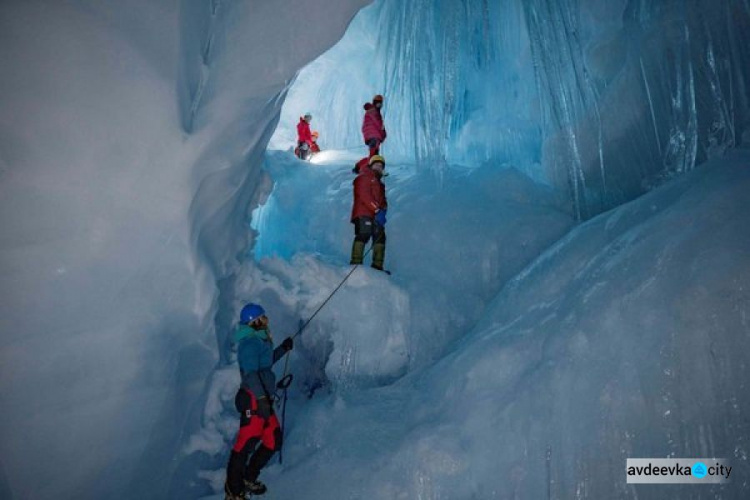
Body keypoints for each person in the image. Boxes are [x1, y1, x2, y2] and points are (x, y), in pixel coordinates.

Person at [225, 303, 294, 500]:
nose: (266, 321)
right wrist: (262, 399)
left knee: (273, 440)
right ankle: (233, 491)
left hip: (262, 399)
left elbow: (264, 363)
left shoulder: (258, 340)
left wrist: (282, 349)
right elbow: (250, 373)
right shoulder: (249, 343)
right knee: (245, 444)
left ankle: (248, 478)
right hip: (254, 399)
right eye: (263, 318)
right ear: (254, 321)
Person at [350, 154, 388, 271]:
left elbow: (383, 200)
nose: (379, 167)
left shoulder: (379, 183)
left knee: (380, 237)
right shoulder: (364, 177)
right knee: (363, 234)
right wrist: (377, 209)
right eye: (376, 164)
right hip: (363, 212)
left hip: (375, 214)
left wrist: (383, 210)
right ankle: (355, 263)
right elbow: (364, 195)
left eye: (381, 166)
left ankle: (377, 266)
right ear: (371, 166)